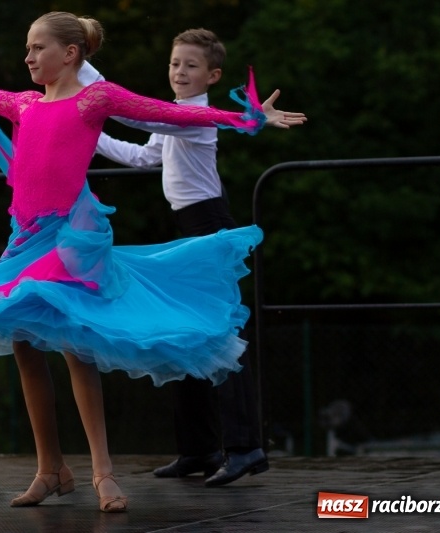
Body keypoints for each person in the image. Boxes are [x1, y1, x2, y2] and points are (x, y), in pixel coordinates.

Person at [0, 11, 301, 512]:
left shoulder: (96, 100)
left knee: (75, 347)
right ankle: (51, 470)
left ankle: (102, 473)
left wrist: (247, 117)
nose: (27, 57)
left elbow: (170, 113)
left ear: (69, 54)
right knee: (24, 346)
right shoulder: (24, 104)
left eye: (37, 48)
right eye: (26, 49)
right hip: (24, 241)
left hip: (70, 242)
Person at [83, 28, 305, 487]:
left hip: (208, 228)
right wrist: (89, 134)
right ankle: (198, 449)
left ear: (212, 75)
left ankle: (246, 448)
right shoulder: (180, 114)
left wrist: (86, 75)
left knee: (221, 337)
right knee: (186, 334)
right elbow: (145, 157)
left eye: (190, 65)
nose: (179, 72)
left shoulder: (197, 116)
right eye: (174, 63)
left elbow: (144, 119)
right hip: (190, 232)